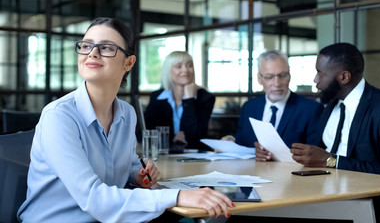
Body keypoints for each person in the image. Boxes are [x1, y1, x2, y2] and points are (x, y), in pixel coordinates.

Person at [17, 17, 233, 222]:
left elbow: (127, 165)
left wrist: (137, 175)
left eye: (107, 48)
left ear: (128, 63)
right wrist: (178, 196)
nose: (92, 53)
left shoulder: (127, 113)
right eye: (86, 45)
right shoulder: (59, 116)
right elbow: (94, 198)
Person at [290, 42, 380, 222]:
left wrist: (332, 161)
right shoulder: (331, 104)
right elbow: (318, 154)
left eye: (320, 73)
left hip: (368, 204)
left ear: (344, 77)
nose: (316, 80)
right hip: (324, 195)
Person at [222, 50, 323, 161]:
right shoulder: (249, 107)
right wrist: (230, 141)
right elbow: (243, 143)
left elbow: (314, 155)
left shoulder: (311, 109)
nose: (277, 83)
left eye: (282, 75)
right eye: (269, 77)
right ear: (259, 79)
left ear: (289, 75)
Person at [145, 51, 215, 152]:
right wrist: (172, 138)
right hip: (164, 155)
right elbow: (145, 133)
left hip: (195, 157)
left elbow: (196, 137)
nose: (185, 70)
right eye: (179, 66)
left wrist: (189, 100)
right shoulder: (157, 97)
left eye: (189, 66)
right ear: (168, 71)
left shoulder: (205, 98)